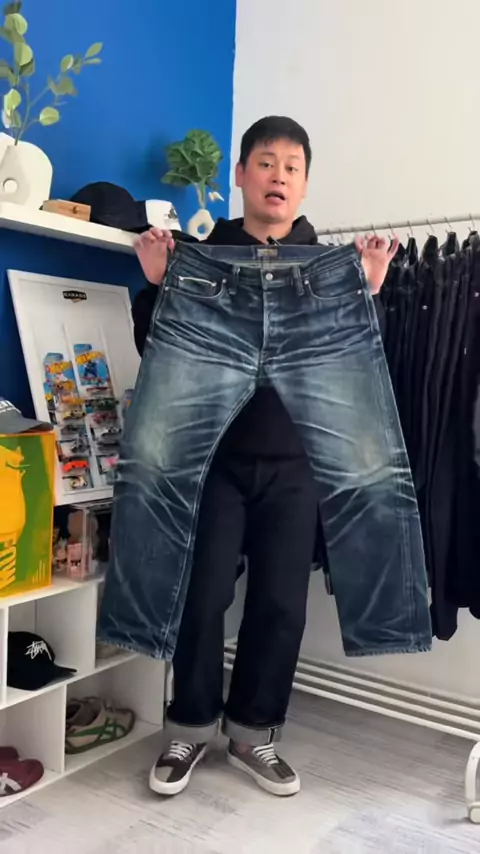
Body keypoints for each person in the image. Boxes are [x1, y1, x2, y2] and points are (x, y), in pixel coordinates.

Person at [131, 116, 398, 798]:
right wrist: (158, 285)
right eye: (266, 162)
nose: (279, 175)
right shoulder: (204, 256)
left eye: (292, 166)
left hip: (295, 464)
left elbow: (351, 367)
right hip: (213, 459)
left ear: (304, 184)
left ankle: (254, 732)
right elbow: (163, 357)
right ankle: (189, 727)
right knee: (202, 596)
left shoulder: (328, 268)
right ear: (242, 175)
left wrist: (368, 293)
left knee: (281, 605)